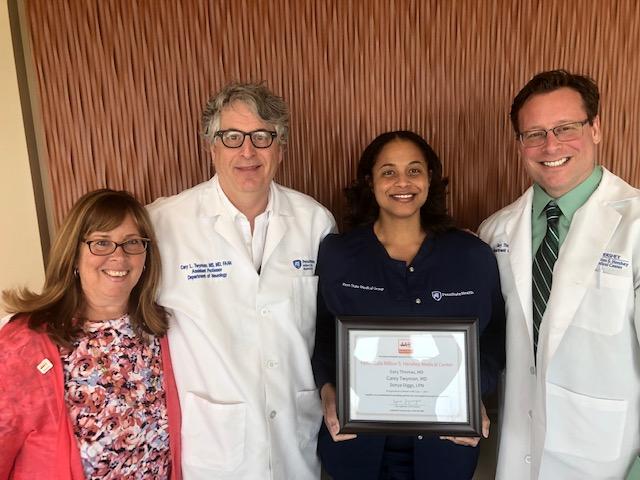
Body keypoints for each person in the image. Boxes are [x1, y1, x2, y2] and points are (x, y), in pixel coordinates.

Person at [147, 81, 336, 479]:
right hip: (215, 444)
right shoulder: (165, 223)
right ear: (211, 146)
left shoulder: (315, 222)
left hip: (295, 437)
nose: (247, 151)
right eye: (231, 137)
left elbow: (329, 326)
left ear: (280, 149)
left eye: (262, 137)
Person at [312, 130, 505, 479]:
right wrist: (328, 389)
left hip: (446, 447)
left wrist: (473, 392)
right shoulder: (338, 254)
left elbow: (493, 337)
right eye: (388, 171)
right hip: (355, 448)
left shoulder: (471, 256)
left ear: (430, 178)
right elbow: (323, 335)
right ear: (370, 181)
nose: (403, 182)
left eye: (414, 170)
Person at [479, 69, 640, 479]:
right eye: (533, 134)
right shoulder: (495, 232)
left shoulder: (635, 223)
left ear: (596, 128)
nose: (550, 145)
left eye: (565, 128)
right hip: (517, 448)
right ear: (519, 145)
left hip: (609, 459)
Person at [0, 189, 182, 480]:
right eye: (101, 243)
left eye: (132, 242)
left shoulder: (161, 332)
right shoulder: (24, 342)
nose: (118, 256)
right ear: (73, 255)